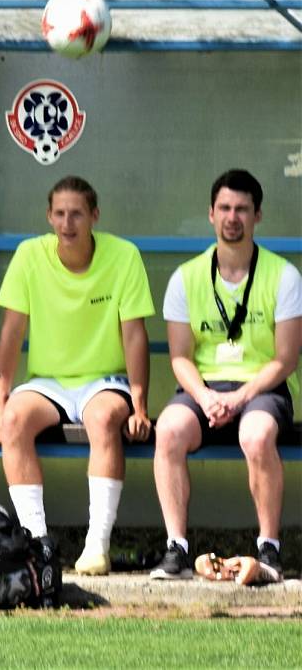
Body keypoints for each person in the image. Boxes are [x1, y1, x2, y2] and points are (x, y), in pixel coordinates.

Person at [0, 176, 154, 576]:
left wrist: (141, 405)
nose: (67, 223)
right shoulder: (29, 255)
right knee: (12, 421)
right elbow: (11, 334)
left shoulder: (124, 256)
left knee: (102, 418)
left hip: (104, 380)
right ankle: (36, 544)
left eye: (76, 213)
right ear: (48, 216)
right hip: (49, 383)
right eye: (59, 214)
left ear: (94, 215)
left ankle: (97, 545)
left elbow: (134, 336)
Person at [150, 169, 301, 581]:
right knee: (169, 429)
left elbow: (286, 358)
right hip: (204, 389)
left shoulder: (284, 275)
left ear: (258, 216)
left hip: (262, 388)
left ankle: (269, 550)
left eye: (242, 209)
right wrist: (204, 397)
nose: (233, 217)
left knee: (255, 435)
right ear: (211, 214)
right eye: (225, 208)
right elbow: (180, 357)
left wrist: (239, 397)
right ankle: (176, 550)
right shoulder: (186, 277)